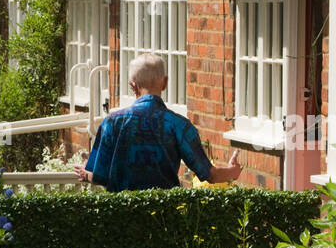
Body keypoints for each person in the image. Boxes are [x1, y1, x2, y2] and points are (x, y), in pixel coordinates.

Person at [73, 52, 242, 191]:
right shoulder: (180, 125)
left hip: (122, 218)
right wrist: (232, 172)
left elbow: (99, 176)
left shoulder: (112, 122)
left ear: (133, 86)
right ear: (165, 83)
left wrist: (85, 173)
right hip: (163, 217)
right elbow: (210, 175)